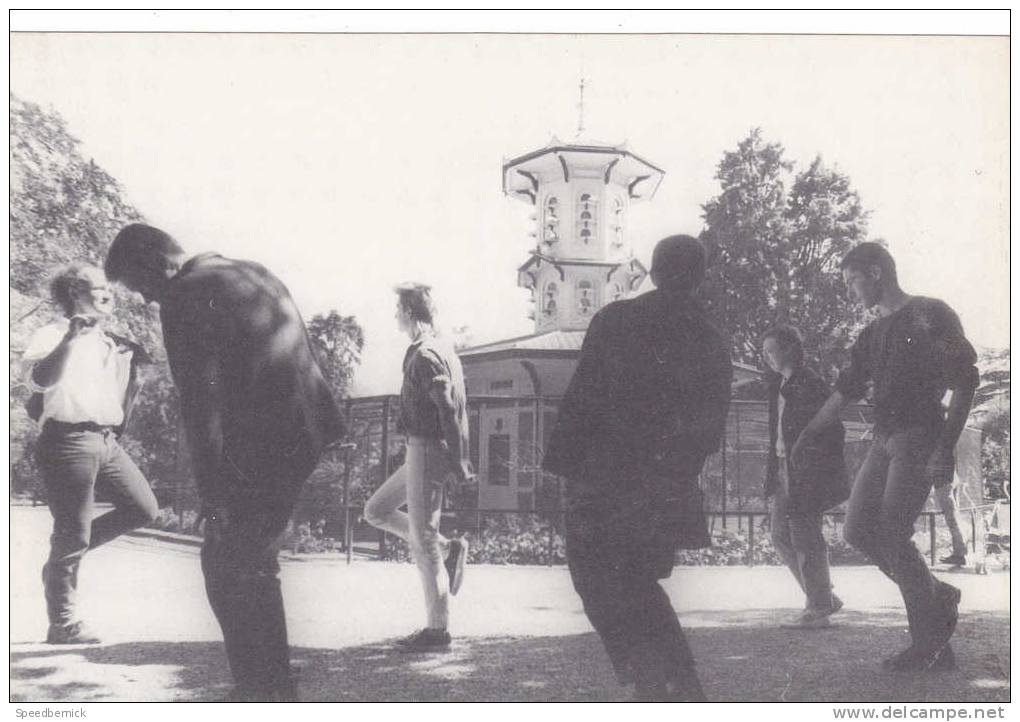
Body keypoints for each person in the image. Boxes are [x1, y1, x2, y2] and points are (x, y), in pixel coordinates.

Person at [105, 224, 345, 701]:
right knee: (250, 557)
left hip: (268, 443)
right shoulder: (249, 270)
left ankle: (264, 691)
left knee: (227, 559)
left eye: (140, 287)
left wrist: (213, 497)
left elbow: (201, 405)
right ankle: (269, 683)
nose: (148, 299)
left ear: (153, 264)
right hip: (308, 429)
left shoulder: (184, 296)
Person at [543, 235, 732, 701]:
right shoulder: (712, 340)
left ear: (652, 269)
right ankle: (669, 682)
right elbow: (710, 429)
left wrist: (563, 473)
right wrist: (678, 476)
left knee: (598, 580)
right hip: (663, 484)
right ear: (701, 277)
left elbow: (582, 401)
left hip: (602, 478)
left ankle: (663, 681)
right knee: (637, 581)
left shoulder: (614, 320)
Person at [792, 242, 978, 672]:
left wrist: (945, 447)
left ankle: (927, 643)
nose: (851, 291)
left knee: (892, 534)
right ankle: (940, 599)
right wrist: (809, 431)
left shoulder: (930, 313)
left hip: (919, 436)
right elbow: (846, 389)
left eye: (853, 281)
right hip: (884, 439)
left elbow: (965, 381)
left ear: (876, 272)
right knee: (857, 530)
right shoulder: (871, 334)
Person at [24, 264, 158, 645]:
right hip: (67, 440)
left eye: (108, 290)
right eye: (96, 288)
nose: (107, 294)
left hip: (105, 441)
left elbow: (117, 405)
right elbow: (38, 382)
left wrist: (135, 380)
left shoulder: (112, 344)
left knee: (144, 508)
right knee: (72, 531)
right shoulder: (51, 333)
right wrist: (70, 337)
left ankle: (60, 564)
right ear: (72, 292)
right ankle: (62, 624)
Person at [363, 283, 472, 652]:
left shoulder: (426, 354)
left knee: (423, 542)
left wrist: (460, 458)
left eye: (398, 309)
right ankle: (450, 548)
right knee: (376, 510)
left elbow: (447, 409)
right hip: (420, 450)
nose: (395, 315)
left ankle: (437, 631)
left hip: (427, 450)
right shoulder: (440, 347)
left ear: (409, 311)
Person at [761, 324, 849, 629]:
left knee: (805, 535)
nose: (767, 357)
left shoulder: (811, 383)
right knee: (779, 535)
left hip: (807, 471)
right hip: (785, 469)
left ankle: (818, 604)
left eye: (771, 350)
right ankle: (823, 598)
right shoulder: (779, 385)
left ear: (789, 349)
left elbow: (833, 429)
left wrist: (812, 466)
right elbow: (778, 435)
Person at [932, 478, 968, 566]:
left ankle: (959, 554)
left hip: (944, 481)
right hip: (951, 479)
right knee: (955, 518)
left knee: (952, 520)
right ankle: (959, 552)